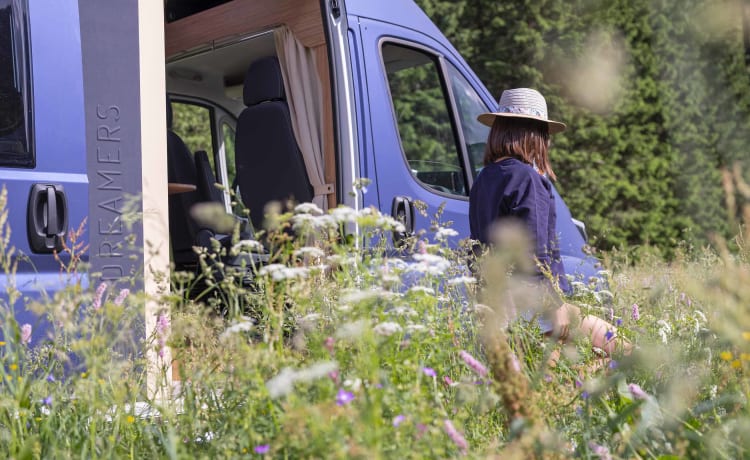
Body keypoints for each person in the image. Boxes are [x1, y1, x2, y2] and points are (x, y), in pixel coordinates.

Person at [470, 88, 627, 360]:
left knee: (550, 379)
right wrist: (554, 305)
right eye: (545, 135)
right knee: (621, 351)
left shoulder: (483, 179)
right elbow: (534, 252)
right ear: (534, 135)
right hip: (534, 303)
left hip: (499, 303)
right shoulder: (528, 179)